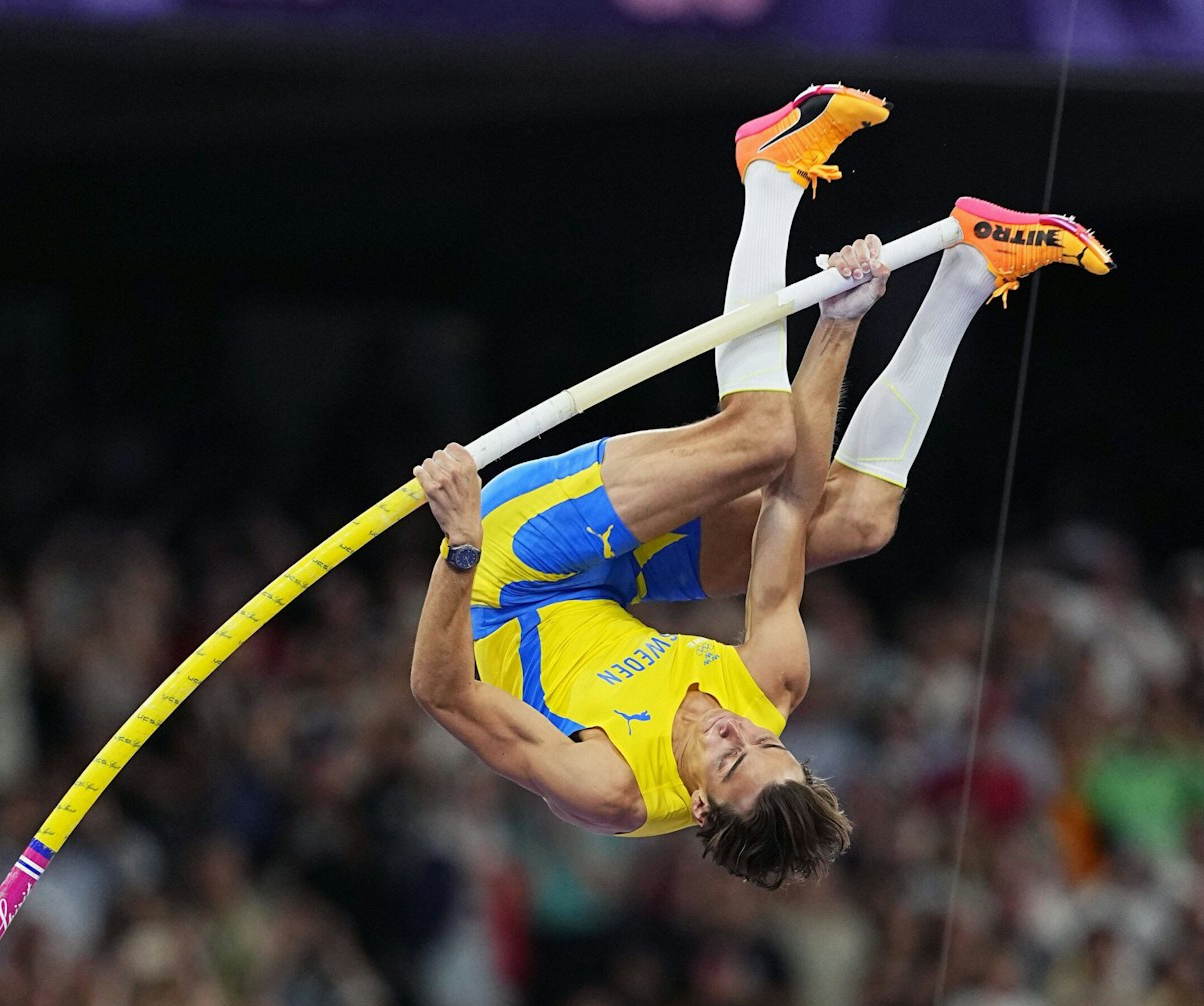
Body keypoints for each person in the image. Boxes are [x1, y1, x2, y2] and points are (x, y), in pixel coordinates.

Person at [409, 85, 1114, 888]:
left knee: (757, 435)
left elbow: (442, 692)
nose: (734, 725)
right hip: (613, 576)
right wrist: (841, 322)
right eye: (767, 740)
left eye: (730, 755)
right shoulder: (771, 685)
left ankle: (771, 177)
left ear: (702, 810)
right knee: (857, 522)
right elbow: (790, 501)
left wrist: (462, 545)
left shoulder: (609, 788)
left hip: (505, 572)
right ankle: (971, 270)